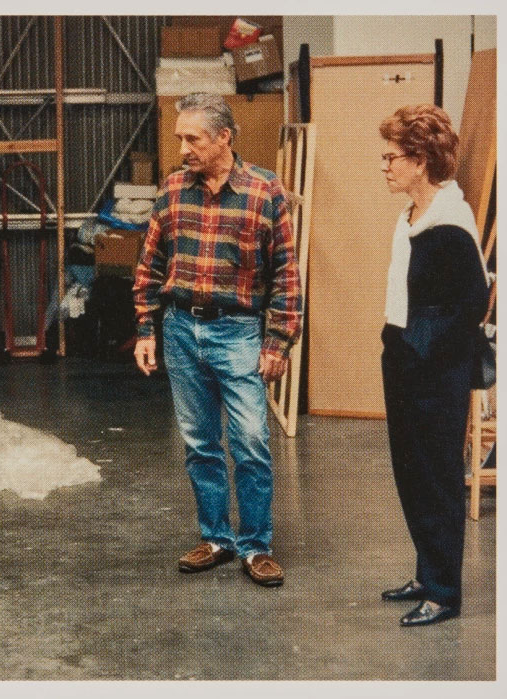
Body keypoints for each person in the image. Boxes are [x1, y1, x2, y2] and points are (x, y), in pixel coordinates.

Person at [132, 93, 302, 587]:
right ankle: (216, 538)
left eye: (193, 138)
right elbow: (150, 264)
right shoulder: (172, 189)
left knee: (250, 440)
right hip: (182, 329)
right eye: (179, 137)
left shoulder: (265, 191)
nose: (182, 147)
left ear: (224, 137)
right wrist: (147, 328)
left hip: (239, 332)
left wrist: (278, 342)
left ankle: (255, 545)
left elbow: (286, 274)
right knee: (200, 442)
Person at [378, 104, 490, 626]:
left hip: (434, 371)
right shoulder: (413, 213)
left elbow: (473, 303)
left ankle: (444, 592)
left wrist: (426, 351)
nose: (385, 166)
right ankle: (427, 571)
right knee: (411, 473)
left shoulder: (449, 218)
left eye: (392, 157)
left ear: (420, 160)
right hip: (405, 359)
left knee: (438, 478)